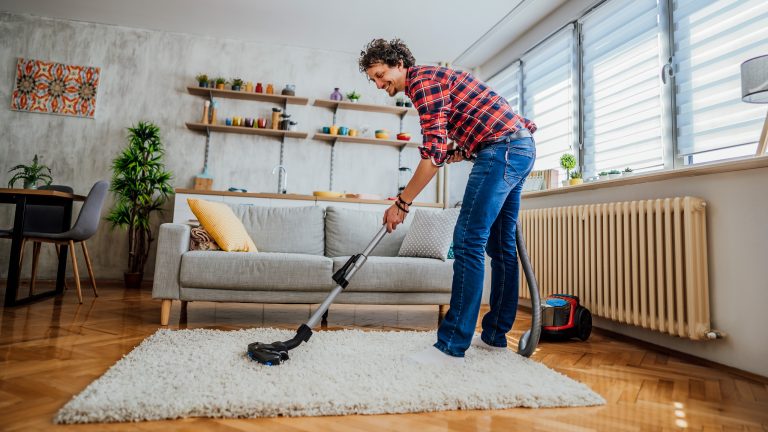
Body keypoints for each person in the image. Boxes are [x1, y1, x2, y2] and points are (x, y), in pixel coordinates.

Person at [358, 38, 537, 365]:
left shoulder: (423, 83)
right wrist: (461, 151)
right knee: (501, 246)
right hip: (518, 147)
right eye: (374, 80)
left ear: (399, 64)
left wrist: (402, 203)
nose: (380, 84)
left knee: (468, 240)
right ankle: (495, 337)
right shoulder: (432, 81)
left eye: (382, 75)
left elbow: (432, 155)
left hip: (502, 150)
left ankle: (452, 345)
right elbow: (467, 130)